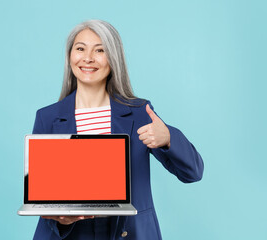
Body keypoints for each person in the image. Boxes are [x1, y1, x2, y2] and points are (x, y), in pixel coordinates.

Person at [31, 19, 204, 240]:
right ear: (69, 56)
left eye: (100, 50)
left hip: (128, 233)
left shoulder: (140, 112)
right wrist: (58, 217)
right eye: (80, 48)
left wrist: (168, 137)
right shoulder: (47, 117)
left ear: (113, 58)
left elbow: (193, 173)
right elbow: (43, 196)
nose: (88, 58)